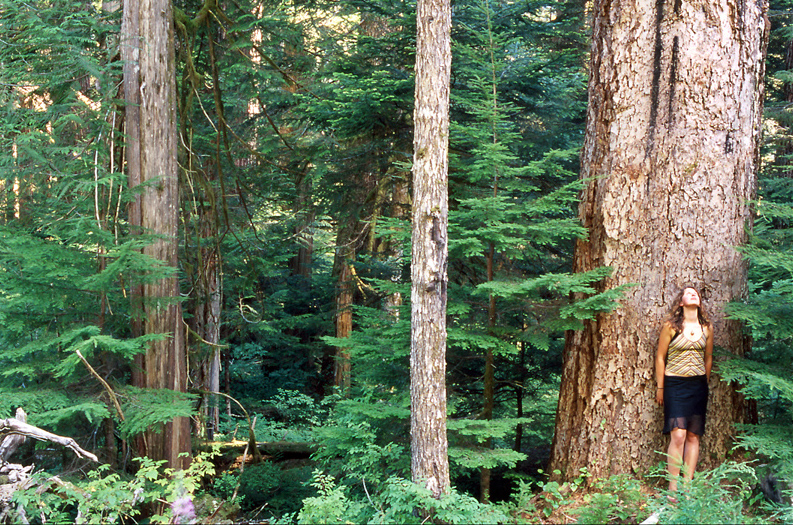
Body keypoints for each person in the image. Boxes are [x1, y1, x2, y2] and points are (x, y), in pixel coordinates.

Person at [655, 285, 713, 494]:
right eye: (688, 293)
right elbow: (661, 357)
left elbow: (708, 356)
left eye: (695, 292)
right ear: (681, 302)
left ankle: (687, 487)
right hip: (675, 385)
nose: (693, 294)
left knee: (693, 435)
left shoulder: (706, 327)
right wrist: (660, 387)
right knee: (678, 435)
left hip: (697, 386)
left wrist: (704, 382)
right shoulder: (671, 327)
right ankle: (672, 488)